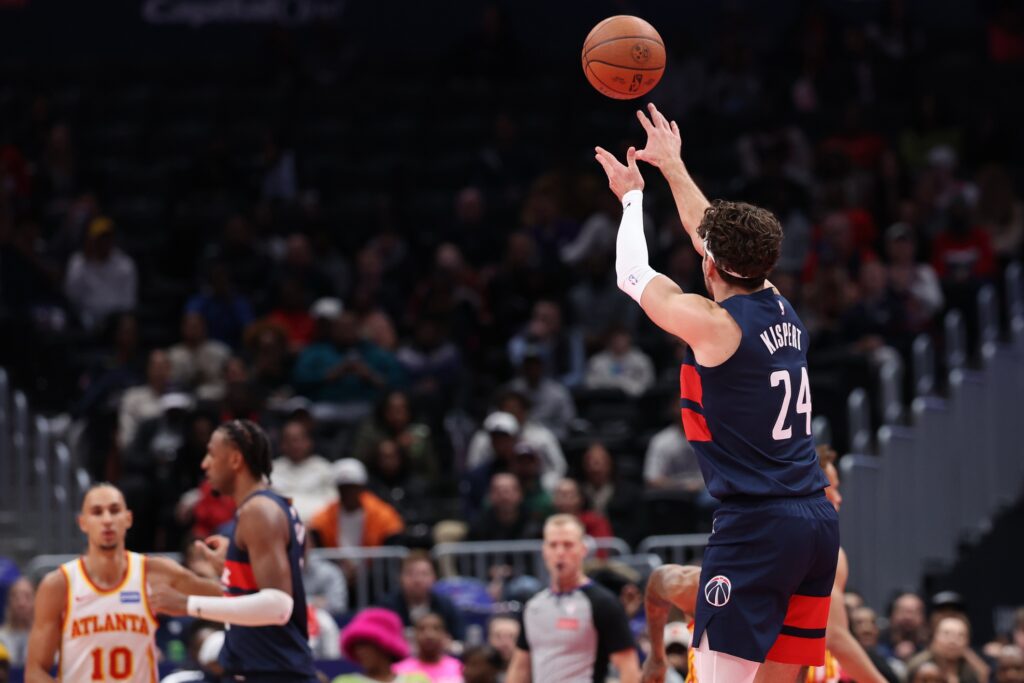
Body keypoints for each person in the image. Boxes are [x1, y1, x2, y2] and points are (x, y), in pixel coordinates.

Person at [594, 102, 839, 682]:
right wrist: (673, 167)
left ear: (709, 266)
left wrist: (632, 197)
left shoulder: (714, 325)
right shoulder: (778, 299)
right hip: (815, 522)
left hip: (757, 527)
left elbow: (633, 276)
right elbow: (713, 233)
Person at [641, 445, 887, 683]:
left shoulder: (817, 565)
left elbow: (835, 636)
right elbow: (659, 582)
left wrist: (656, 657)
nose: (837, 497)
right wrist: (656, 656)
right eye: (830, 487)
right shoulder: (712, 587)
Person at [146, 419, 319, 682]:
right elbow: (259, 596)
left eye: (212, 454)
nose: (205, 464)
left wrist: (187, 604)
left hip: (274, 673)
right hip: (262, 669)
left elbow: (278, 606)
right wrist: (232, 568)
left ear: (236, 459)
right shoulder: (268, 506)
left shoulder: (259, 510)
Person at [24, 483, 224, 682]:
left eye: (114, 510)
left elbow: (228, 597)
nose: (107, 520)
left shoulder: (155, 573)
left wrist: (227, 570)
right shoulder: (59, 585)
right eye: (97, 512)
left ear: (128, 518)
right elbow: (35, 672)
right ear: (83, 522)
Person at [507, 514, 640, 683]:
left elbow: (628, 666)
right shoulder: (533, 606)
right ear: (544, 550)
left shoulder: (603, 603)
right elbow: (520, 668)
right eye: (553, 545)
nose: (560, 552)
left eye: (568, 545)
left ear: (583, 550)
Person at [308, 458, 405, 548]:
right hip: (334, 566)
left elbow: (393, 531)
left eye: (352, 487)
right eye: (343, 488)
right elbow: (316, 529)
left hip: (373, 566)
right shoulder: (326, 516)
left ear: (361, 487)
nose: (348, 493)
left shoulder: (382, 514)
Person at [381, 551, 466, 642]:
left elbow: (460, 639)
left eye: (424, 574)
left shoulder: (446, 605)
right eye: (410, 574)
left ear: (434, 577)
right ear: (400, 577)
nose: (417, 580)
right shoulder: (386, 607)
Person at [333, 607, 427, 683]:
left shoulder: (417, 680)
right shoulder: (344, 681)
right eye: (356, 645)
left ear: (385, 645)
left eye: (365, 643)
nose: (359, 651)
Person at [270, 417, 337, 523]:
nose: (294, 445)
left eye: (298, 440)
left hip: (316, 529)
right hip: (279, 530)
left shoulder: (324, 468)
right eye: (289, 440)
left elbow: (334, 504)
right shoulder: (271, 470)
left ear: (309, 442)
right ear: (282, 445)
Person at [905, 615, 982, 683]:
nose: (953, 641)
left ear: (967, 641)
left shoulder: (971, 671)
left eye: (960, 636)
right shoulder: (918, 668)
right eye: (946, 634)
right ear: (934, 637)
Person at [393, 612, 464, 683]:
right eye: (422, 629)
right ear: (414, 635)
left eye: (436, 629)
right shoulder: (398, 671)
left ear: (445, 634)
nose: (429, 635)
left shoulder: (459, 669)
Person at [0, 577, 33, 666]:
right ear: (9, 601)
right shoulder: (1, 637)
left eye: (27, 596)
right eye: (16, 597)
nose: (21, 603)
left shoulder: (45, 639)